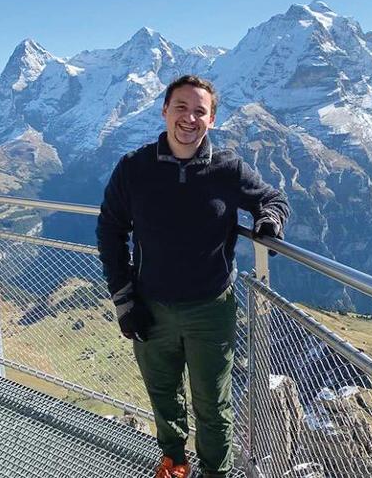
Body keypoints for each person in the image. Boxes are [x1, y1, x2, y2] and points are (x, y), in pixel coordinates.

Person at [95, 75, 290, 478]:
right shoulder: (135, 168)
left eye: (200, 111)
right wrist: (125, 300)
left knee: (212, 403)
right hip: (150, 305)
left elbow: (272, 198)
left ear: (212, 120)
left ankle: (215, 472)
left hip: (211, 310)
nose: (189, 118)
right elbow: (110, 230)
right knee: (163, 393)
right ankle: (175, 461)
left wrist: (268, 221)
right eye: (181, 107)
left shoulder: (228, 169)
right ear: (164, 111)